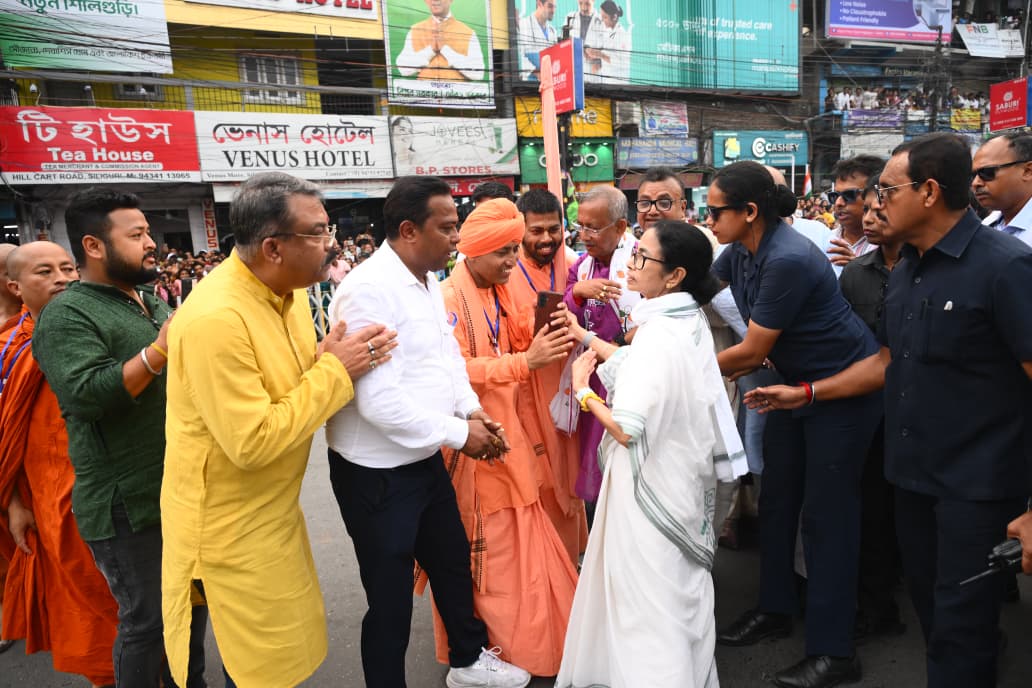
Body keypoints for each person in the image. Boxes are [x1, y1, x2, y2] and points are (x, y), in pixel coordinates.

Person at [746, 133, 1032, 688]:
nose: (873, 204)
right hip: (910, 480)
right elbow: (885, 362)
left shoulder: (1006, 267)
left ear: (927, 192)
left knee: (960, 630)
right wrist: (806, 393)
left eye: (885, 190)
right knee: (935, 617)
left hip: (977, 488)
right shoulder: (905, 272)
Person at [160, 173, 397, 687]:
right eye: (318, 232)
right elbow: (253, 440)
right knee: (257, 664)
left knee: (280, 650)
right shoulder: (216, 318)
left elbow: (290, 381)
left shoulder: (285, 293)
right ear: (273, 247)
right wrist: (336, 370)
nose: (331, 243)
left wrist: (325, 358)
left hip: (272, 510)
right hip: (229, 524)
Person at [325, 176, 531, 688]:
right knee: (390, 597)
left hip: (421, 456)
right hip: (375, 471)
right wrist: (461, 435)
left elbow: (446, 360)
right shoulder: (369, 290)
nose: (457, 239)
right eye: (447, 227)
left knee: (451, 561)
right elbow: (380, 404)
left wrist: (471, 411)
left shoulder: (423, 281)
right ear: (408, 230)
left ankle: (467, 660)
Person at [709, 161, 882, 688]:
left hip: (840, 392)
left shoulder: (787, 257)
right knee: (777, 502)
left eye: (715, 211)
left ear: (750, 211)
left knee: (827, 519)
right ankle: (775, 608)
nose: (709, 219)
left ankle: (835, 652)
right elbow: (692, 288)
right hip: (788, 388)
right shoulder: (737, 251)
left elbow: (752, 349)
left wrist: (664, 368)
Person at [556, 221, 745, 688]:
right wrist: (584, 336)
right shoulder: (681, 317)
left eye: (641, 257)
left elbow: (626, 427)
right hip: (679, 477)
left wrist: (583, 392)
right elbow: (631, 364)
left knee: (646, 601)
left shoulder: (659, 333)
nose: (631, 263)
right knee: (677, 595)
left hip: (648, 491)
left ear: (675, 274)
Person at [33, 188, 209, 688]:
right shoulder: (67, 315)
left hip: (177, 490)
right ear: (94, 245)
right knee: (148, 623)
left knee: (191, 612)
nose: (151, 243)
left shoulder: (148, 300)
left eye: (149, 232)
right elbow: (87, 396)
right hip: (124, 504)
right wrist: (159, 351)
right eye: (137, 235)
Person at [436, 198, 577, 676]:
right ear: (472, 252)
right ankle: (499, 652)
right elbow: (453, 373)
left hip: (514, 438)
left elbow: (514, 336)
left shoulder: (497, 288)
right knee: (494, 558)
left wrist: (544, 324)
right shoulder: (449, 300)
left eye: (515, 251)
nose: (513, 262)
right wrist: (525, 361)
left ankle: (535, 647)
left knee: (524, 552)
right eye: (503, 253)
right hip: (478, 444)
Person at [0, 242, 118, 687]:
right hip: (49, 498)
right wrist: (14, 501)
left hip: (112, 486)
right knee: (83, 596)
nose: (62, 278)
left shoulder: (99, 326)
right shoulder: (12, 347)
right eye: (45, 272)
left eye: (68, 268)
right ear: (15, 286)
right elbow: (5, 432)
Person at [837, 185, 906, 642]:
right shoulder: (853, 274)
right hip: (867, 413)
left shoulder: (934, 269)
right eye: (870, 206)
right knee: (872, 514)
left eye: (883, 204)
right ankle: (877, 608)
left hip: (929, 419)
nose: (870, 215)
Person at [511, 189, 586, 563]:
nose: (546, 239)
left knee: (570, 481)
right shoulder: (503, 272)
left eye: (553, 229)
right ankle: (545, 570)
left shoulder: (570, 264)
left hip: (566, 392)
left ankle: (570, 568)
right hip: (526, 396)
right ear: (520, 230)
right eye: (536, 231)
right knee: (538, 483)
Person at [562, 185, 641, 513]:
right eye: (581, 226)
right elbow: (563, 313)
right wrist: (579, 291)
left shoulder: (642, 260)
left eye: (594, 228)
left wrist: (621, 343)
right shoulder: (581, 267)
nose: (585, 236)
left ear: (621, 227)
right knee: (594, 457)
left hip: (633, 376)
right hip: (591, 379)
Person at [396, 0, 485, 82]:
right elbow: (403, 70)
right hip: (424, 97)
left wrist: (445, 49)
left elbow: (478, 74)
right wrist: (431, 50)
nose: (435, 0)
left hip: (456, 97)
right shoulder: (415, 30)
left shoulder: (468, 33)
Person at [972, 132, 1032, 247]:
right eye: (973, 175)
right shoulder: (988, 224)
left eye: (986, 172)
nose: (976, 183)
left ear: (1027, 171)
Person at [826, 155, 883, 274]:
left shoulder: (894, 246)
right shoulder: (825, 240)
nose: (839, 203)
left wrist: (859, 272)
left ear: (876, 194)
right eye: (835, 195)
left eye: (849, 195)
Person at [588, 0, 630, 83]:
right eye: (602, 17)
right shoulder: (609, 32)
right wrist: (596, 54)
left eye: (605, 17)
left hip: (618, 83)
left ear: (614, 17)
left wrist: (601, 55)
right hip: (607, 81)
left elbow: (621, 63)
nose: (602, 20)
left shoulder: (622, 34)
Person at [564, 0, 605, 81]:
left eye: (587, 4)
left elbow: (610, 51)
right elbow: (562, 44)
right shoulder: (570, 18)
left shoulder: (603, 21)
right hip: (574, 71)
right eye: (580, 3)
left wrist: (597, 56)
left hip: (594, 73)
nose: (583, 8)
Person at [517, 0, 557, 80]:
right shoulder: (523, 24)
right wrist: (536, 72)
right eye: (550, 6)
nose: (553, 10)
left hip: (548, 82)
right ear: (539, 4)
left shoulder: (553, 31)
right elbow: (519, 55)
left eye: (554, 7)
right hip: (529, 83)